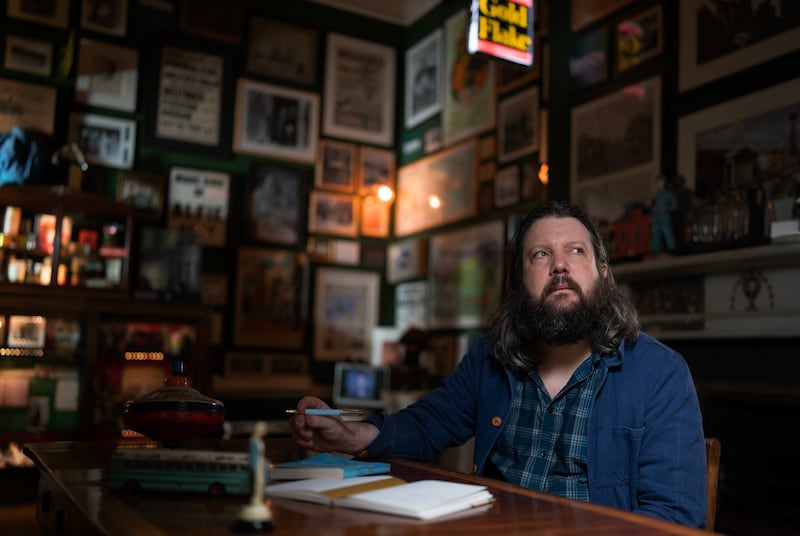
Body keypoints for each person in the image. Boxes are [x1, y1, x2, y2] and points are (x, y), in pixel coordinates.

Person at [289, 201, 707, 528]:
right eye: (540, 255)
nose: (559, 265)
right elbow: (427, 424)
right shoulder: (489, 357)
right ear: (519, 284)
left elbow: (672, 519)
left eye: (575, 251)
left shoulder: (660, 375)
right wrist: (351, 434)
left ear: (604, 274)